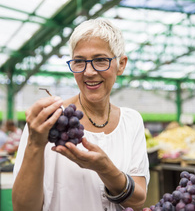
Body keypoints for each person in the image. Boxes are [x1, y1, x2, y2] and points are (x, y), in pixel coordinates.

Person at [12, 18, 150, 211]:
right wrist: (35, 143)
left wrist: (105, 169)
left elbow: (137, 201)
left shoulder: (131, 121)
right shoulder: (49, 122)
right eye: (79, 62)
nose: (89, 72)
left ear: (121, 64)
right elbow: (22, 208)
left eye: (100, 60)